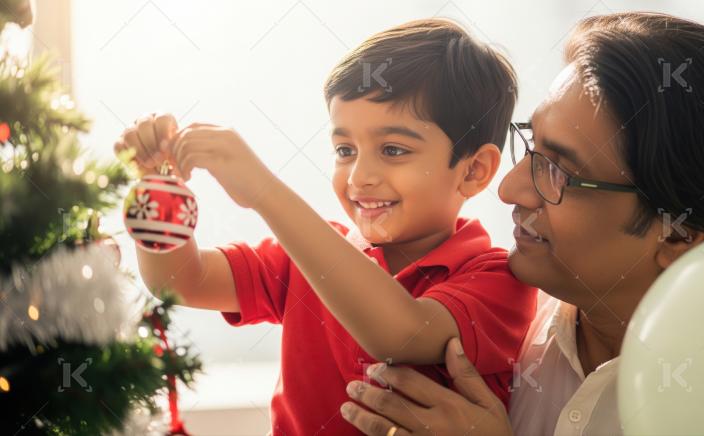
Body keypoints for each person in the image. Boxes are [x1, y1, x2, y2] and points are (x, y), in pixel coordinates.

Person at [339, 12, 704, 435]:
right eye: (533, 148)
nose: (510, 189)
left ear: (679, 232)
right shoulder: (503, 334)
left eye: (558, 171)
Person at [115, 18, 539, 435]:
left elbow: (399, 334)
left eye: (392, 149)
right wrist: (158, 191)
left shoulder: (497, 280)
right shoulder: (309, 253)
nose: (359, 178)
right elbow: (180, 280)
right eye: (345, 149)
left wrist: (265, 192)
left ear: (474, 171)